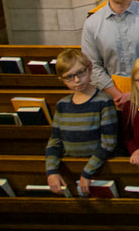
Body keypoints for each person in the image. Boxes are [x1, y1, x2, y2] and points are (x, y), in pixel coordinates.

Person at [45, 48, 118, 196]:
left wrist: (87, 172)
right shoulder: (62, 105)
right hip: (72, 170)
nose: (77, 80)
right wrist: (51, 171)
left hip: (99, 169)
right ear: (61, 79)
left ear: (90, 69)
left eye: (80, 73)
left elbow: (108, 143)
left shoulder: (104, 101)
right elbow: (55, 141)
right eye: (69, 77)